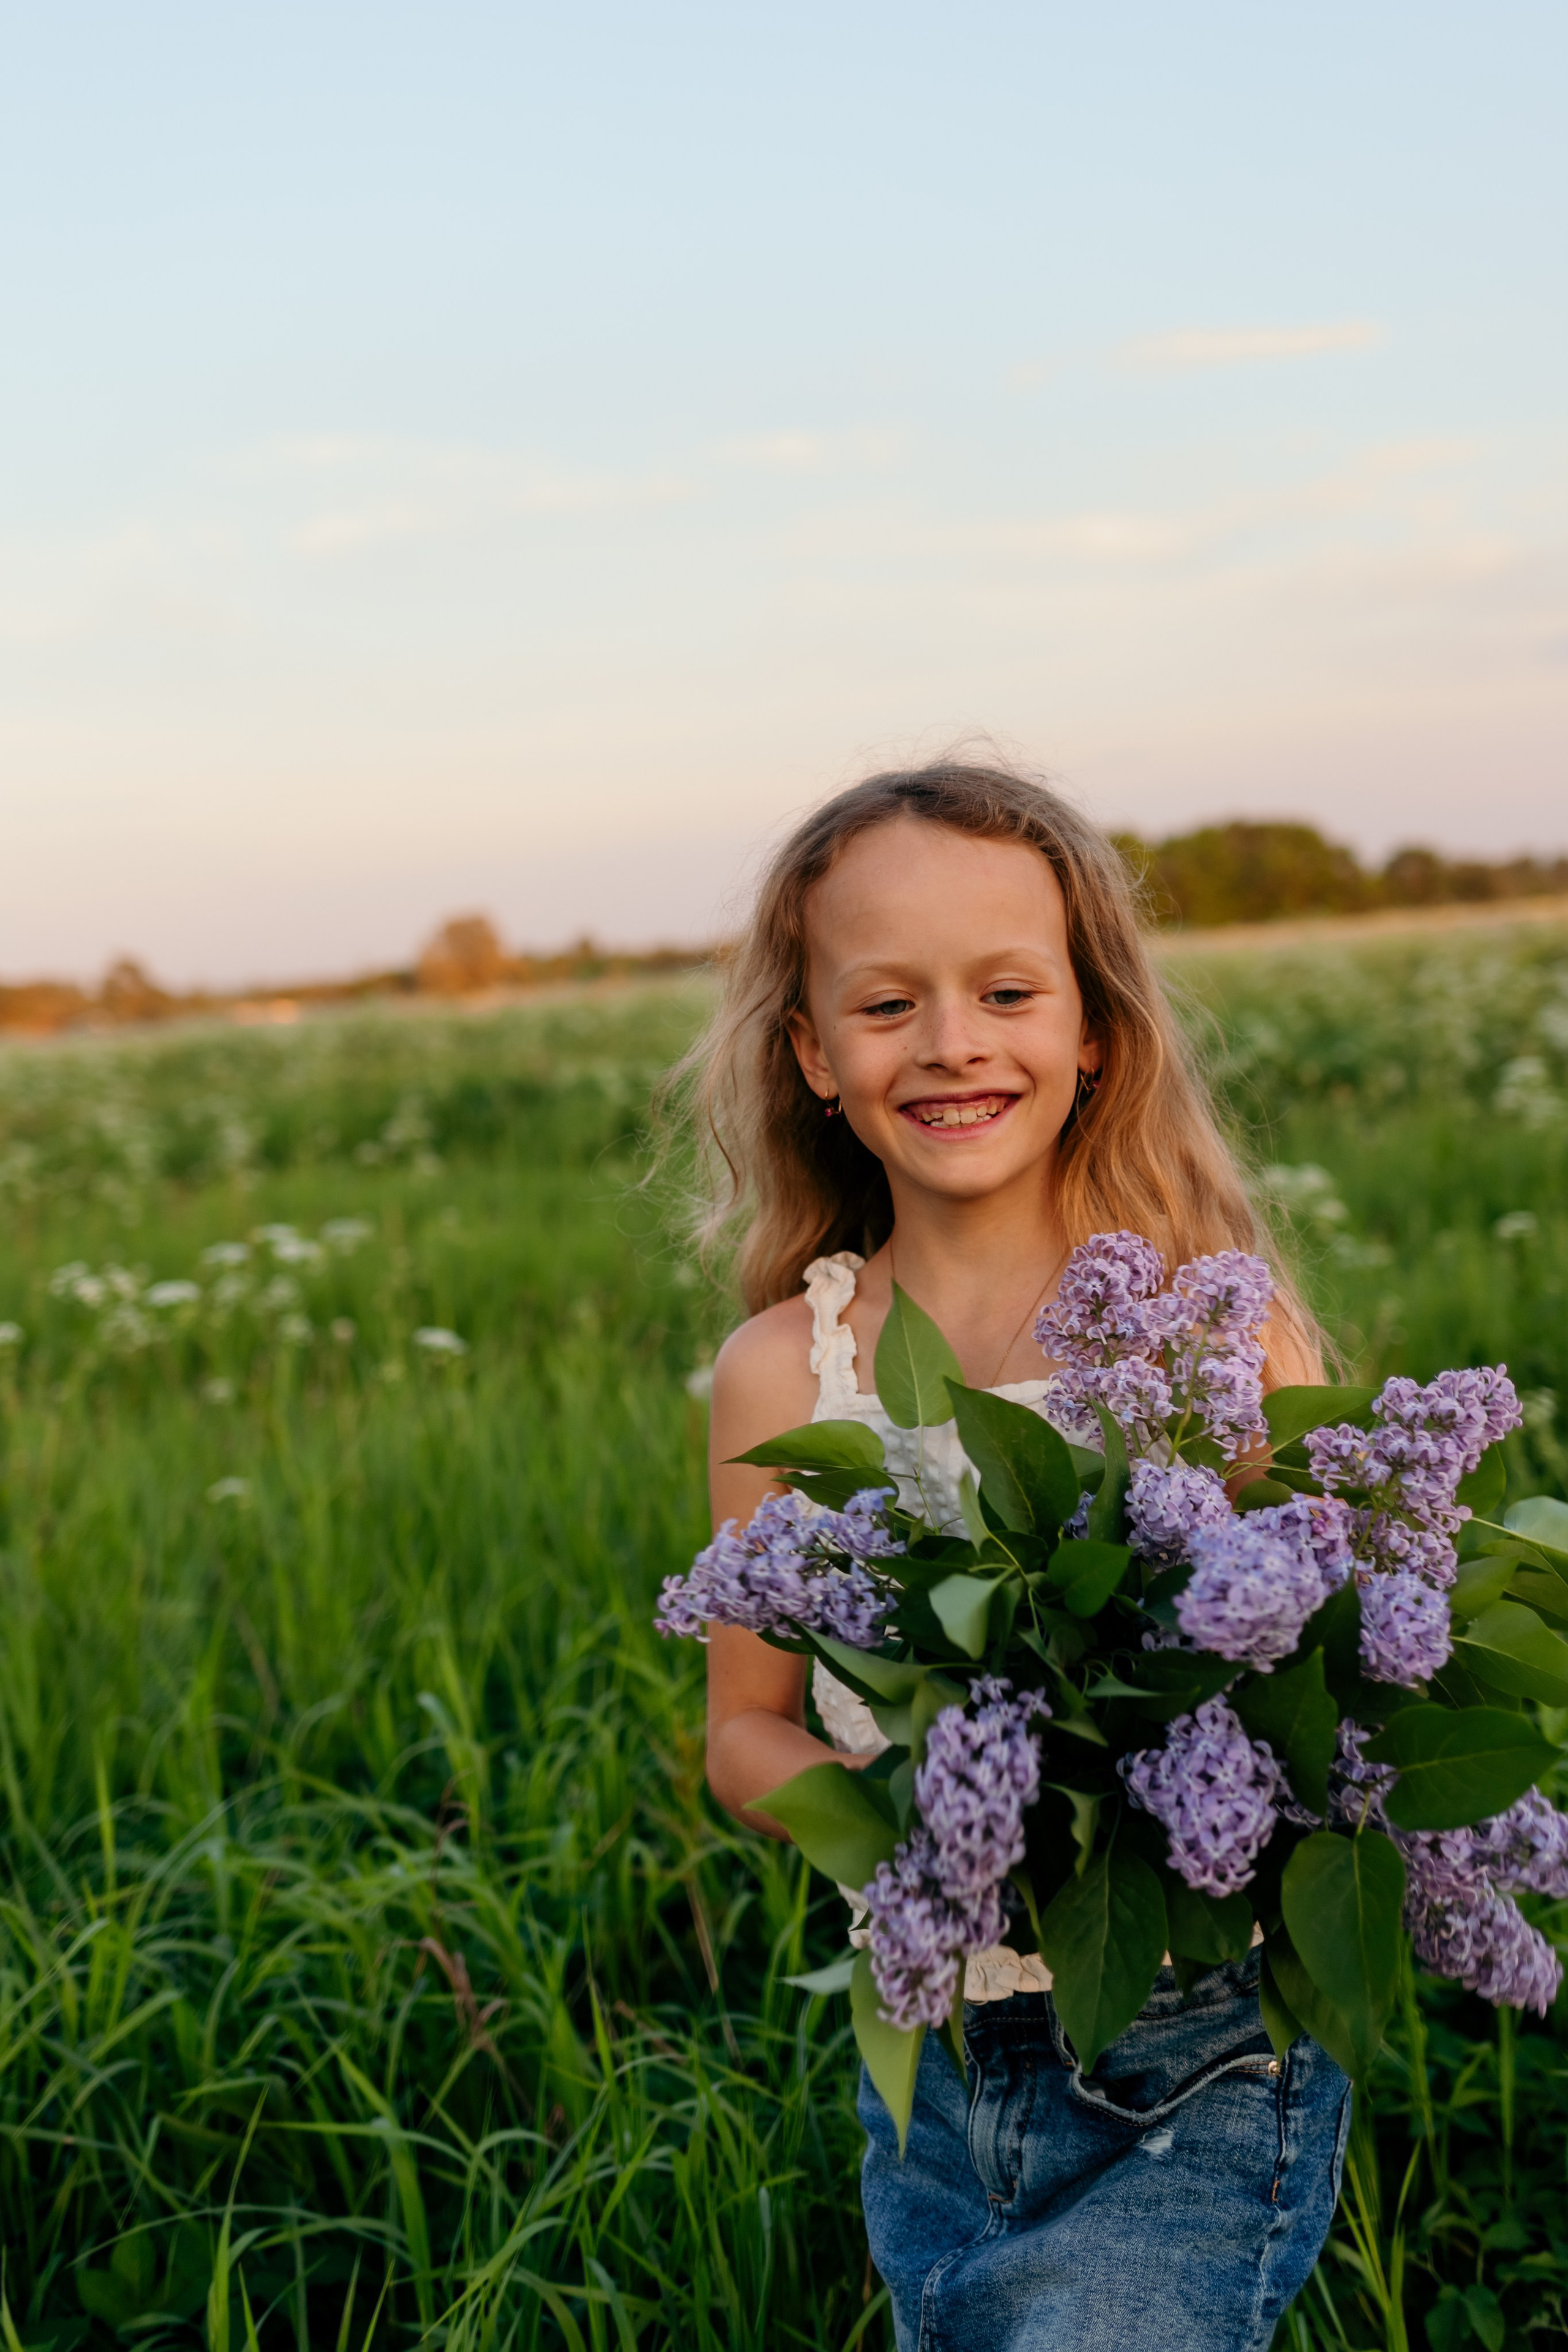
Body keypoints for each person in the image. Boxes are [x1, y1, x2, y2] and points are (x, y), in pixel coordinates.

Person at [682, 758, 1351, 2351]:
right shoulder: (789, 1373)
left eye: (1004, 990)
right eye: (888, 1002)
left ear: (1093, 1024)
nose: (955, 1043)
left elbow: (1338, 1661)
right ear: (813, 1053)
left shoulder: (1218, 1329)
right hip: (929, 2053)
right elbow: (741, 1730)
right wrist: (917, 1829)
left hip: (1194, 2047)